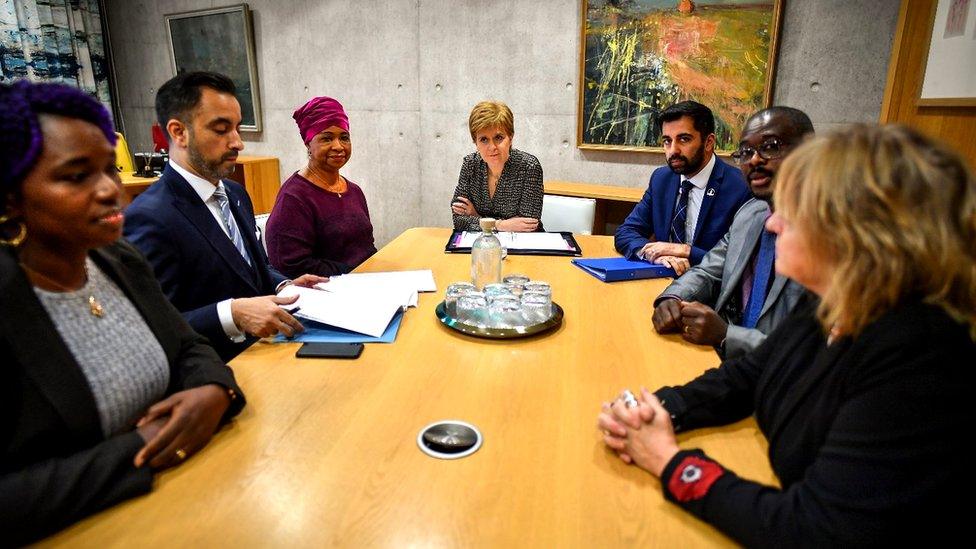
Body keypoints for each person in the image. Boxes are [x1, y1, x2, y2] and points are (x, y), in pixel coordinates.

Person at [599, 124, 976, 546]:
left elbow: (811, 529)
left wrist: (670, 462)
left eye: (792, 209)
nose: (773, 223)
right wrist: (661, 408)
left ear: (857, 231)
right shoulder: (833, 302)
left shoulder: (920, 359)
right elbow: (748, 376)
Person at [0, 80, 246, 545]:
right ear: (11, 196)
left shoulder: (117, 260)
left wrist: (213, 391)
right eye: (76, 176)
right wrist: (146, 445)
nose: (111, 191)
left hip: (191, 505)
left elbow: (189, 346)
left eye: (109, 169)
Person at [124, 72, 327, 361]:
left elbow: (248, 269)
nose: (237, 143)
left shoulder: (234, 193)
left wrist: (284, 284)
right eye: (221, 130)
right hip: (218, 369)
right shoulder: (149, 217)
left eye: (237, 129)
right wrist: (230, 314)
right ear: (179, 132)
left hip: (270, 350)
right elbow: (151, 327)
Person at [652, 107, 814, 358]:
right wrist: (672, 297)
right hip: (724, 363)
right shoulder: (752, 213)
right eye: (746, 152)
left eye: (770, 147)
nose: (755, 160)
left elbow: (814, 354)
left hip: (777, 383)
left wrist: (727, 335)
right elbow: (709, 270)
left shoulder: (832, 235)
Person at [614, 101, 750, 275]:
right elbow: (626, 232)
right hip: (661, 279)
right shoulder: (662, 179)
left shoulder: (740, 187)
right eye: (667, 141)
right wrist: (655, 255)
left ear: (709, 142)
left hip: (711, 292)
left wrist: (686, 251)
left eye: (684, 139)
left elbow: (740, 261)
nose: (673, 150)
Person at [266, 96, 377, 277]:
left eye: (344, 137)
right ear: (308, 143)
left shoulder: (354, 191)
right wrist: (355, 274)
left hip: (365, 283)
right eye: (326, 138)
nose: (338, 146)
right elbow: (291, 266)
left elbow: (366, 248)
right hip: (324, 294)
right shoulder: (293, 198)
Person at [451, 100, 544, 232]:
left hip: (522, 246)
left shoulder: (529, 167)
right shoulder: (470, 164)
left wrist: (477, 217)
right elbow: (459, 221)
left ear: (510, 138)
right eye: (484, 139)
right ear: (475, 142)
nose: (492, 147)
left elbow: (528, 226)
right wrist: (500, 225)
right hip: (482, 244)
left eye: (499, 137)